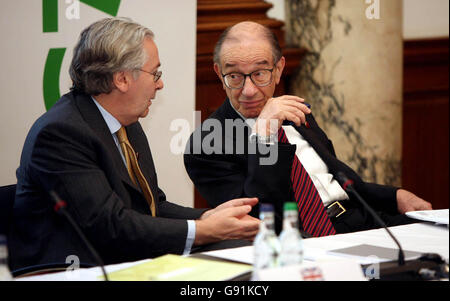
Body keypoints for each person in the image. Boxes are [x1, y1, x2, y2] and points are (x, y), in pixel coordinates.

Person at [8, 17, 260, 274]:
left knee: (238, 251)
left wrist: (207, 218)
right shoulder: (61, 134)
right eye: (155, 73)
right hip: (73, 269)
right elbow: (108, 226)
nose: (160, 84)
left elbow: (152, 206)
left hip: (124, 257)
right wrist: (203, 231)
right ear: (122, 79)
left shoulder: (126, 123)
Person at [184, 21, 432, 236]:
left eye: (260, 74)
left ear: (279, 69)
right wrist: (265, 136)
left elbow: (339, 181)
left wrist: (396, 196)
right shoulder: (206, 145)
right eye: (235, 76)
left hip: (359, 221)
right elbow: (261, 217)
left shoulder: (295, 111)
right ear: (219, 73)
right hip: (300, 242)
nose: (248, 91)